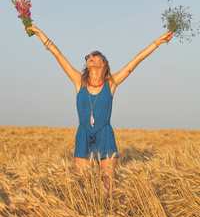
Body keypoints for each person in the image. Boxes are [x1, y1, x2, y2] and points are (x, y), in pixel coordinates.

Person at [26, 24, 173, 186]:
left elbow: (136, 61)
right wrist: (40, 33)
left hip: (105, 135)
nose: (90, 56)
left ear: (104, 63)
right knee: (82, 184)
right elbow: (57, 54)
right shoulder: (78, 81)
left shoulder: (111, 83)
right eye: (88, 55)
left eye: (95, 54)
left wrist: (157, 43)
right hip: (83, 134)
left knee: (107, 184)